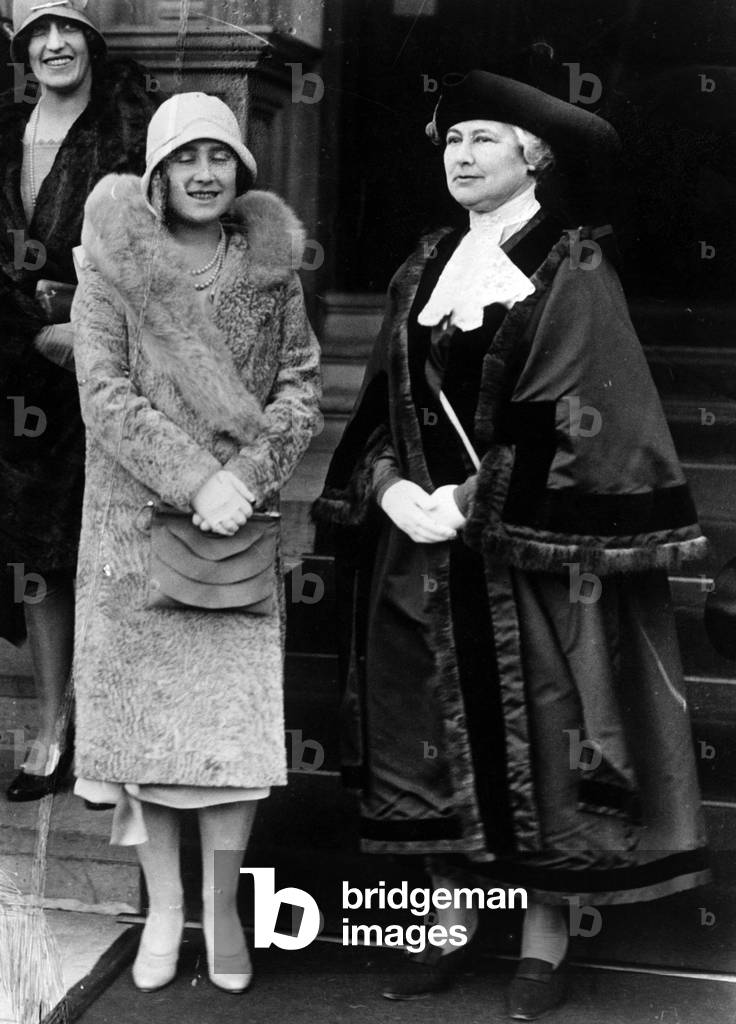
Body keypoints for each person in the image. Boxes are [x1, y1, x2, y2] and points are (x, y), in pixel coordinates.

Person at [313, 69, 709, 1019]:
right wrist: (390, 487)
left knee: (541, 737)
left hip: (525, 562)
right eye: (451, 140)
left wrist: (467, 498)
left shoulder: (570, 267)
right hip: (419, 555)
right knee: (429, 741)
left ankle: (542, 940)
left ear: (534, 155)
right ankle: (449, 924)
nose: (461, 155)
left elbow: (577, 419)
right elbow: (378, 410)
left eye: (483, 138)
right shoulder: (422, 268)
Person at [69, 92, 322, 993]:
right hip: (134, 528)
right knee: (145, 741)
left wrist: (244, 482)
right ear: (158, 174)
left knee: (229, 740)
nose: (204, 174)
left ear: (242, 170)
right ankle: (165, 911)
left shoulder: (268, 268)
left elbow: (301, 386)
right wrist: (194, 479)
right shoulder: (111, 268)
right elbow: (103, 395)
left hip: (234, 533)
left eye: (220, 157)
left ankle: (221, 910)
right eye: (185, 160)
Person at [0, 0, 159, 801]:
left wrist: (79, 322)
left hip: (102, 370)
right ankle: (51, 724)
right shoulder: (3, 132)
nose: (54, 45)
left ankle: (104, 730)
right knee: (33, 557)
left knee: (96, 546)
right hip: (12, 366)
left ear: (92, 39)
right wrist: (28, 328)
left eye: (68, 28)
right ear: (21, 47)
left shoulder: (130, 131)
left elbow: (159, 243)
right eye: (39, 32)